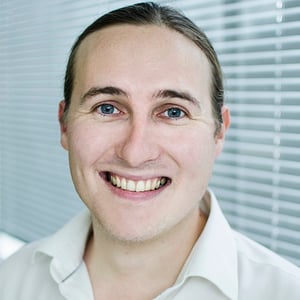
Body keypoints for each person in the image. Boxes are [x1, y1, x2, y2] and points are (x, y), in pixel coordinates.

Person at [0, 2, 299, 299]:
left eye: (173, 112)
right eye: (107, 108)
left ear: (218, 132)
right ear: (64, 125)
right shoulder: (11, 282)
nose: (135, 152)